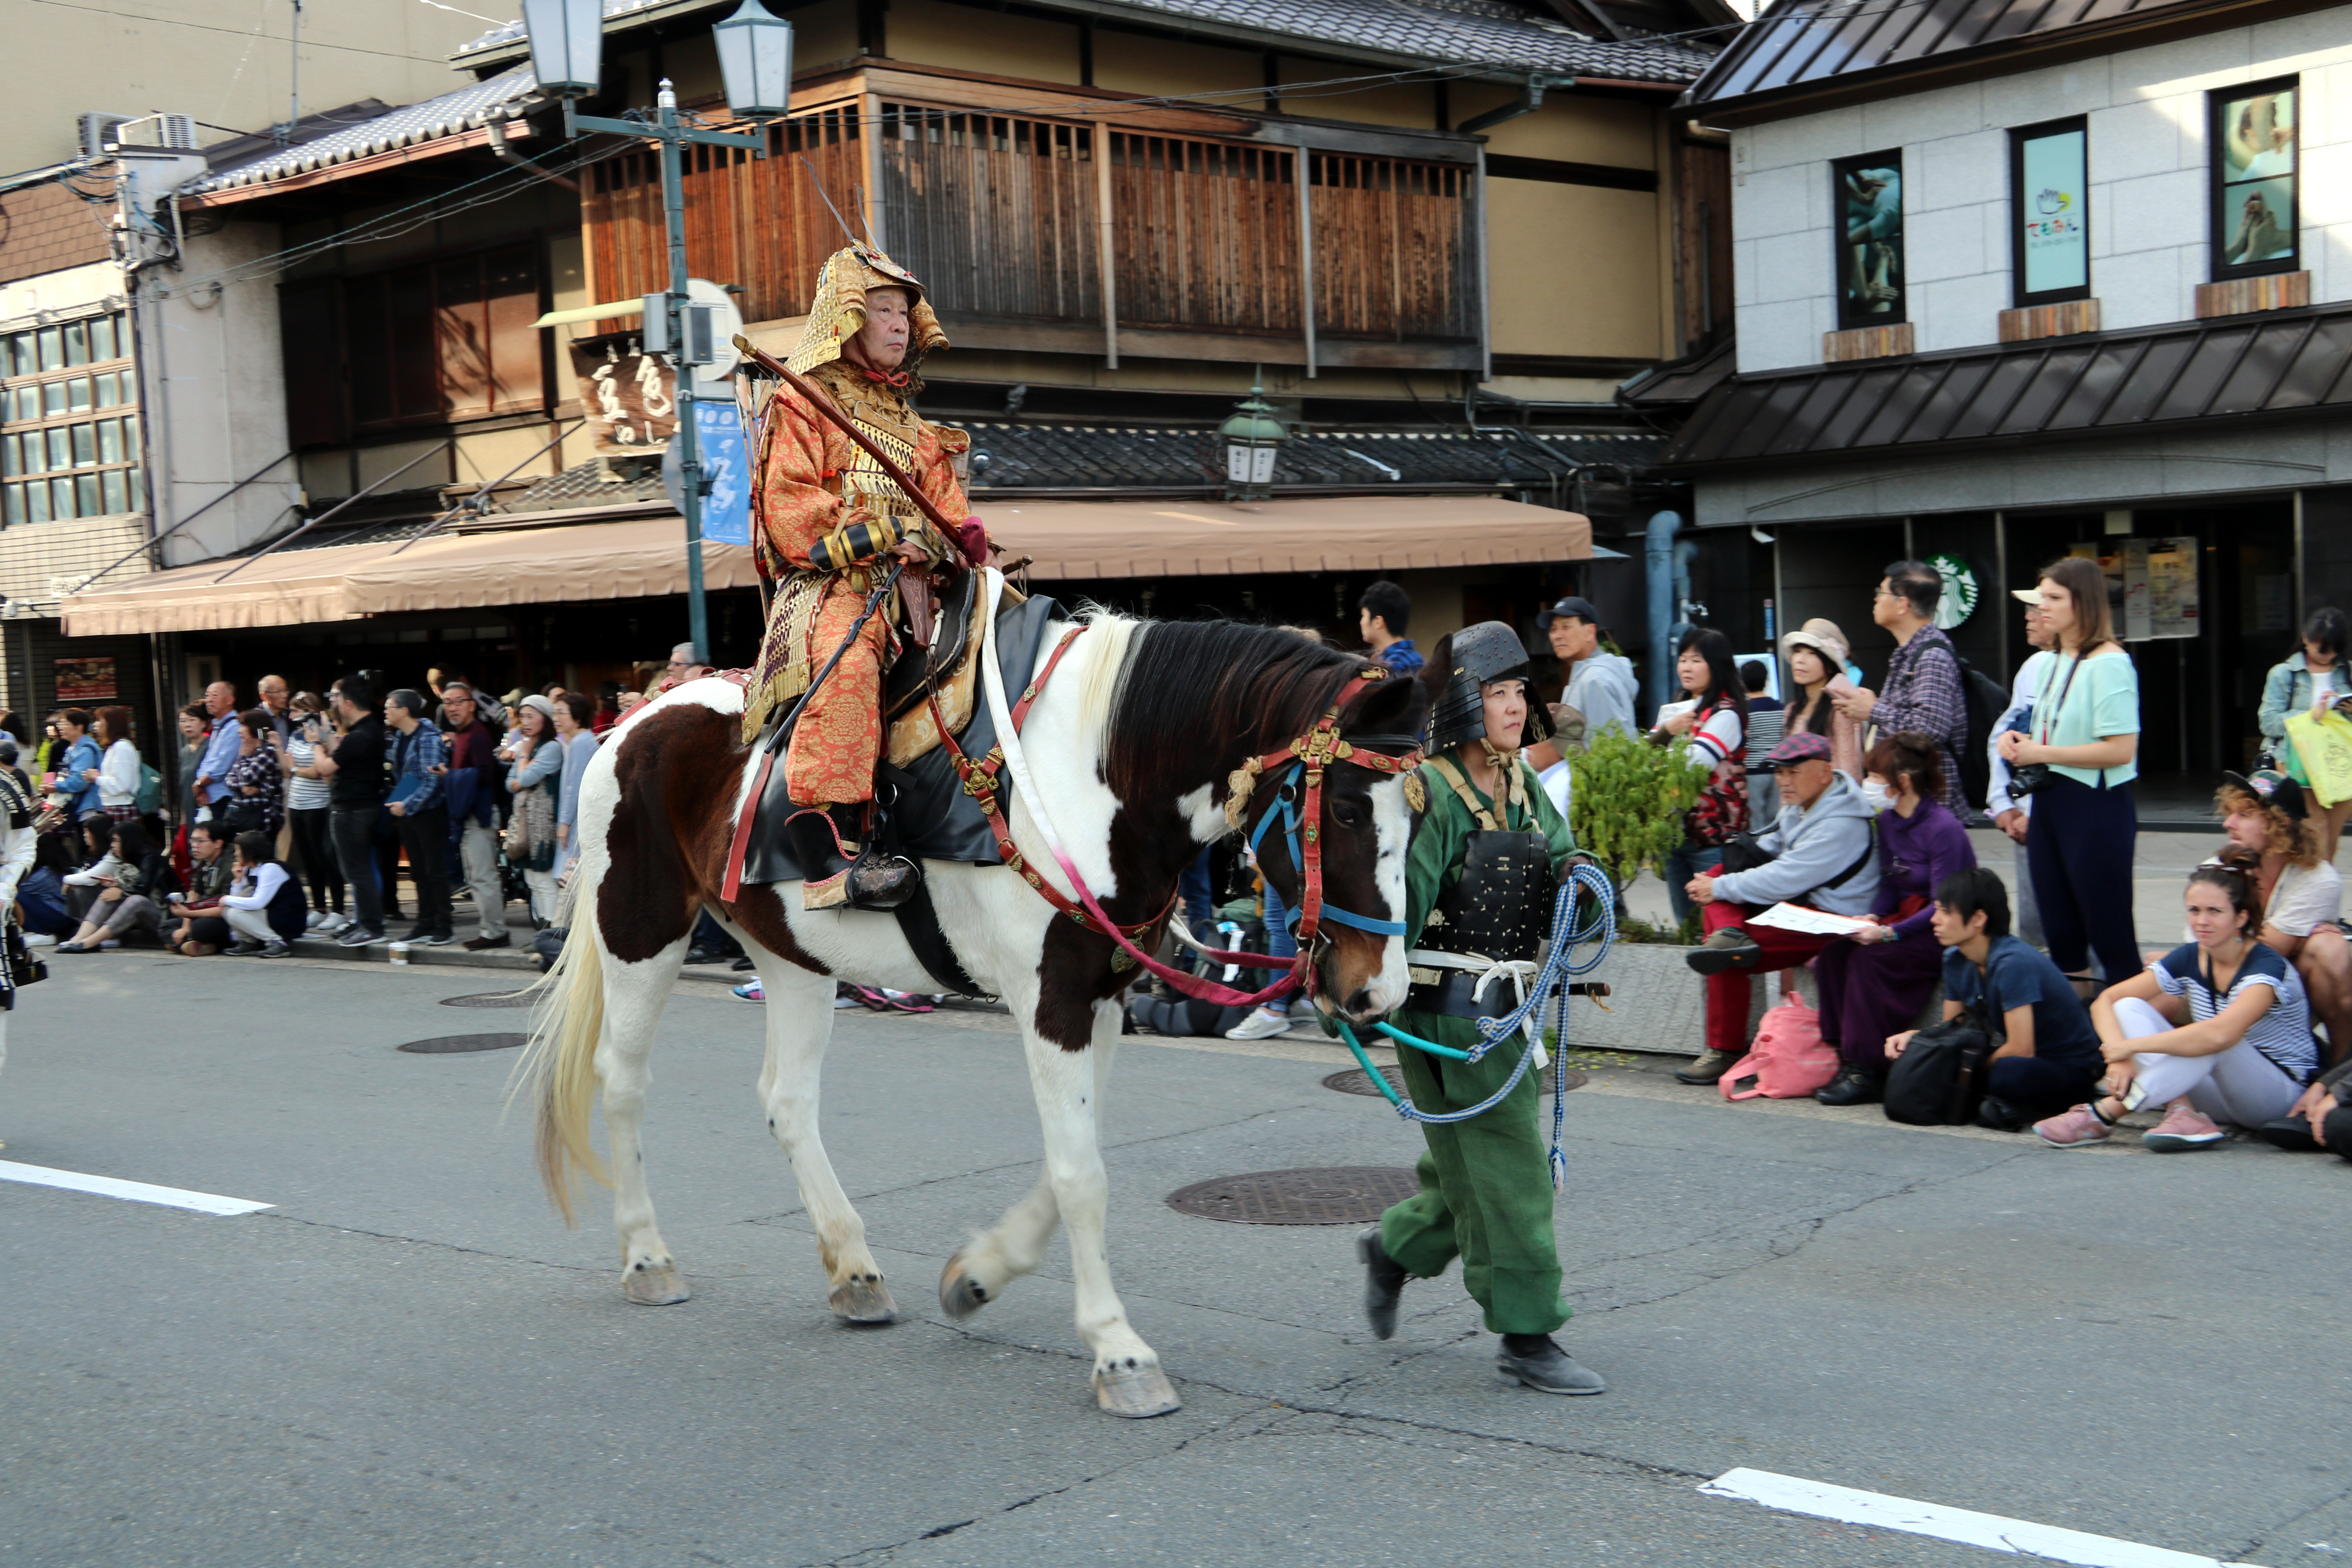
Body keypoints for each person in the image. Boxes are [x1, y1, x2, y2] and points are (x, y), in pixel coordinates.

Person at [1356, 621, 1603, 1397]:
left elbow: (1559, 855)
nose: (1515, 705)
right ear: (1465, 702)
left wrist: (1581, 877)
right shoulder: (1428, 794)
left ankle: (1396, 1248)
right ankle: (1529, 1334)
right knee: (1513, 1167)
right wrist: (1361, 995)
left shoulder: (1520, 782)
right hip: (1449, 1013)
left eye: (1520, 690)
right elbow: (1398, 907)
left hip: (1505, 1005)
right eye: (1498, 692)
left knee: (1469, 1168)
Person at [746, 242, 980, 911]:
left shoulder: (917, 428)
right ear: (847, 317)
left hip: (919, 592)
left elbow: (950, 514)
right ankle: (827, 842)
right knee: (849, 657)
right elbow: (789, 507)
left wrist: (952, 543)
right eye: (882, 310)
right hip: (834, 585)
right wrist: (881, 533)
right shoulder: (803, 400)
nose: (899, 324)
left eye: (904, 312)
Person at [2035, 864, 2317, 1150]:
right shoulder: (2192, 956)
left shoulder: (2266, 968)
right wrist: (2119, 1057)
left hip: (2276, 1098)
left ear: (2241, 918)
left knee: (2214, 1040)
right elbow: (2106, 1000)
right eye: (2194, 910)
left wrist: (2131, 1048)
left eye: (2215, 911)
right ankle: (2182, 1112)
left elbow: (2220, 1035)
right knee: (2129, 1007)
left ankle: (2102, 1115)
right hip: (2216, 1093)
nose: (2202, 921)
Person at [1675, 731, 1881, 1085]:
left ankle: (1724, 1049)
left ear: (1824, 772)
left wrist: (1719, 886)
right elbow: (1765, 850)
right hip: (1802, 908)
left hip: (1834, 922)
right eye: (1779, 772)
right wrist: (1718, 878)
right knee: (1721, 886)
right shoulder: (1805, 803)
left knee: (1723, 946)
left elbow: (1785, 878)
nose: (1784, 781)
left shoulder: (1841, 823)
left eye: (1793, 772)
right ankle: (1729, 934)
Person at [1997, 555, 2141, 997]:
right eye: (2042, 597)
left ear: (2083, 602)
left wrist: (2042, 752)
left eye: (2054, 598)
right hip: (2051, 802)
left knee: (2111, 936)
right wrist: (2017, 743)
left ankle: (2130, 1029)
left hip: (2095, 807)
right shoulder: (2054, 659)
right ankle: (2079, 1029)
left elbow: (2121, 749)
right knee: (2062, 936)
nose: (2042, 606)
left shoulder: (2110, 662)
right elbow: (2057, 729)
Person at [1811, 732, 1978, 1105]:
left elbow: (1942, 905)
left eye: (1875, 776)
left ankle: (1867, 1068)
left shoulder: (1943, 828)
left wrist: (1888, 934)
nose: (1868, 784)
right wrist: (1871, 917)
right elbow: (1891, 883)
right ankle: (1844, 1054)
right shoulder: (1888, 822)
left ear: (1902, 782)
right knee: (1834, 954)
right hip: (1905, 920)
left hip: (1944, 931)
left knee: (1870, 961)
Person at [1885, 869, 2104, 1129]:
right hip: (2023, 1060)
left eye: (1945, 912)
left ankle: (2010, 1105)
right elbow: (1952, 1029)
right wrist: (1916, 1038)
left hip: (2068, 1070)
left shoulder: (2013, 962)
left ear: (1978, 918)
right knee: (1929, 1060)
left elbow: (2022, 1049)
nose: (1935, 920)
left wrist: (1969, 1070)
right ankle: (2004, 1106)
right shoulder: (1955, 958)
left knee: (2007, 1073)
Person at [2216, 768, 2351, 1066]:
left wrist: (2219, 945)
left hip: (2280, 992)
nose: (2228, 824)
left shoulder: (2318, 878)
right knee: (2155, 983)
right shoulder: (2219, 867)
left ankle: (2341, 1071)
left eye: (2244, 815)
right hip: (2217, 983)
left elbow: (2266, 953)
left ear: (2279, 824)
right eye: (2230, 813)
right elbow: (2201, 950)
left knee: (2330, 948)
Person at [1837, 562, 1967, 817]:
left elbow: (1929, 728)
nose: (1876, 599)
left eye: (1881, 592)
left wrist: (1873, 711)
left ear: (1902, 604)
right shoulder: (1911, 652)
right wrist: (1875, 706)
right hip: (1907, 802)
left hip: (1926, 807)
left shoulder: (1931, 657)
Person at [1653, 627, 1748, 928]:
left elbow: (1692, 767)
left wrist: (1664, 740)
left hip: (1712, 838)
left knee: (1713, 927)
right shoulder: (1678, 709)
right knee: (1686, 926)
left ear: (1716, 665)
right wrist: (1667, 733)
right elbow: (1643, 760)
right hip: (1675, 834)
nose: (1686, 667)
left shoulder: (1726, 713)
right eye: (1683, 659)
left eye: (1696, 660)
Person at [1985, 588, 2055, 948]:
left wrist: (2034, 815)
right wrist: (2004, 804)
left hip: (2060, 818)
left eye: (2037, 609)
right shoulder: (2034, 666)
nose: (2028, 617)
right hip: (2025, 819)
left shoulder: (2100, 667)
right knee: (2035, 931)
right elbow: (2003, 735)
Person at [2257, 607, 2352, 860]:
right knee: (2315, 827)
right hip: (2297, 760)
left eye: (2335, 650)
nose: (2328, 656)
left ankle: (2321, 881)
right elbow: (2268, 722)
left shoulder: (2348, 672)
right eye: (2322, 650)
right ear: (2306, 639)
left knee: (2331, 837)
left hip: (2338, 762)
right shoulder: (2283, 674)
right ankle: (2315, 880)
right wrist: (2312, 716)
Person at [315, 675, 389, 948]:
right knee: (360, 871)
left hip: (351, 810)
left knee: (357, 873)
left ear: (348, 704)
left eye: (338, 700)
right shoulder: (371, 730)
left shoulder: (359, 736)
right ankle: (364, 922)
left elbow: (325, 768)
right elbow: (343, 754)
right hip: (364, 807)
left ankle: (372, 927)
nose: (335, 705)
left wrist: (315, 743)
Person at [439, 681, 510, 951]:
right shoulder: (463, 735)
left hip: (480, 816)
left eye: (459, 701)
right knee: (476, 878)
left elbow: (485, 774)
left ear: (471, 705)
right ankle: (490, 930)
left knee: (483, 877)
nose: (453, 708)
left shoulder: (478, 735)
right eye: (448, 703)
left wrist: (450, 775)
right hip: (470, 816)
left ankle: (495, 932)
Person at [384, 688, 454, 946]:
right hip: (406, 811)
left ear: (404, 711)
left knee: (435, 871)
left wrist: (407, 804)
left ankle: (444, 926)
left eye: (389, 707)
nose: (385, 712)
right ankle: (425, 923)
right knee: (418, 872)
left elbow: (432, 780)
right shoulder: (399, 736)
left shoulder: (428, 739)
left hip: (429, 813)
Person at [57, 821, 177, 952]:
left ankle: (90, 942)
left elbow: (143, 890)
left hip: (165, 917)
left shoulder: (151, 858)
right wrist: (116, 885)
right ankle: (78, 939)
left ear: (128, 841)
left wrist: (121, 892)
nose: (112, 845)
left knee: (135, 900)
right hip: (143, 912)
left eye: (116, 841)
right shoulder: (130, 857)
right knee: (109, 894)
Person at [282, 693, 345, 934]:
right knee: (308, 859)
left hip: (318, 803)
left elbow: (321, 771)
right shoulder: (296, 735)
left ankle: (338, 910)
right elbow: (287, 767)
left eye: (296, 711)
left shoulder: (325, 735)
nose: (292, 716)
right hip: (296, 802)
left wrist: (296, 769)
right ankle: (319, 907)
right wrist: (293, 765)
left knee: (325, 857)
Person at [1538, 595, 1636, 741]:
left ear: (1590, 632)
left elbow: (1608, 747)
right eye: (1553, 629)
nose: (1557, 636)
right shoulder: (1589, 673)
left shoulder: (1595, 679)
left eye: (1566, 627)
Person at [503, 694, 564, 925]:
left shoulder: (551, 747)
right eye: (523, 717)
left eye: (531, 717)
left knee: (544, 881)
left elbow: (523, 780)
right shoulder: (527, 746)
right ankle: (544, 930)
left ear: (546, 719)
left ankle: (553, 930)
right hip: (526, 825)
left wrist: (525, 756)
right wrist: (524, 760)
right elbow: (510, 784)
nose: (526, 722)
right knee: (532, 881)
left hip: (544, 825)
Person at [1780, 619, 1864, 780]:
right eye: (1798, 651)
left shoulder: (1841, 709)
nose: (1800, 660)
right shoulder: (1791, 710)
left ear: (1830, 666)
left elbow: (1849, 772)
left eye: (1812, 653)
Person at [217, 830, 306, 958]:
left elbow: (258, 903)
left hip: (289, 920)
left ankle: (278, 943)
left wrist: (227, 899)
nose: (236, 854)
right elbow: (240, 898)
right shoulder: (250, 869)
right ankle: (249, 943)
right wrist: (238, 881)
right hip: (270, 915)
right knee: (228, 909)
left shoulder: (271, 868)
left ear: (250, 851)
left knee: (233, 911)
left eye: (238, 850)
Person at [164, 820, 237, 956]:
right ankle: (198, 944)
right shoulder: (204, 861)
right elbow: (194, 893)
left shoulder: (231, 866)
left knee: (199, 928)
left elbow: (225, 908)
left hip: (226, 917)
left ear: (218, 843)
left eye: (200, 841)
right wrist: (185, 926)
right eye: (193, 840)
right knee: (165, 926)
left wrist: (188, 914)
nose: (194, 845)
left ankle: (195, 943)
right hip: (203, 912)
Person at [551, 691, 599, 887]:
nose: (556, 718)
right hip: (578, 819)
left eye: (561, 713)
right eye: (555, 713)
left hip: (577, 821)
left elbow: (574, 787)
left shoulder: (581, 743)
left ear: (577, 716)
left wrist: (564, 823)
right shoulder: (582, 741)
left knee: (572, 880)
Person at [220, 709, 285, 839]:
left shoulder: (268, 752)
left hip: (262, 818)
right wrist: (243, 788)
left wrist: (242, 758)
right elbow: (229, 780)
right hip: (242, 814)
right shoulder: (247, 751)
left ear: (255, 728)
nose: (239, 731)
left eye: (243, 726)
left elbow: (248, 778)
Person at [1740, 659, 1785, 826]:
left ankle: (1758, 844)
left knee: (1755, 818)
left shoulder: (1743, 710)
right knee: (1776, 816)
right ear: (1766, 680)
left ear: (1742, 683)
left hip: (1753, 770)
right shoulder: (1781, 708)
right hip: (1777, 768)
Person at [190, 681, 241, 823]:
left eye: (215, 695)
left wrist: (199, 785)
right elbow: (208, 761)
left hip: (225, 797)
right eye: (207, 696)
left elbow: (221, 767)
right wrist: (200, 785)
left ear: (230, 700)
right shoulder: (219, 726)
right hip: (211, 796)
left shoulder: (235, 727)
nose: (209, 700)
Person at [1356, 581, 1423, 675]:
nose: (1361, 622)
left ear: (1378, 622)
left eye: (1364, 616)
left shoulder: (1394, 664)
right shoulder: (1412, 656)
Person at [53, 708, 101, 825]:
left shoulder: (85, 751)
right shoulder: (73, 748)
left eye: (65, 724)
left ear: (79, 727)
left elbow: (78, 783)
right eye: (59, 724)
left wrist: (54, 786)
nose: (61, 728)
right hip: (79, 805)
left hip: (88, 809)